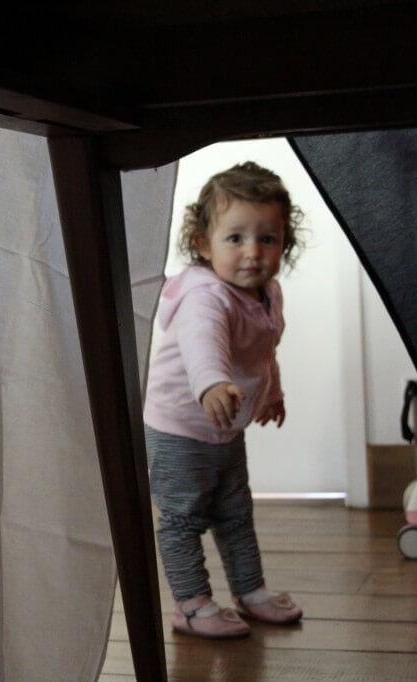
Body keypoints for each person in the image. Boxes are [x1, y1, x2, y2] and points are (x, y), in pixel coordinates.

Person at [143, 161, 306, 639]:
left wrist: (271, 395)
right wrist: (212, 383)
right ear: (203, 243)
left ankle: (249, 590)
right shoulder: (205, 296)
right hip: (179, 425)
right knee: (181, 517)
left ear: (284, 243)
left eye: (268, 239)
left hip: (225, 424)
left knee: (235, 511)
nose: (253, 253)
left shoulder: (266, 294)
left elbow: (262, 354)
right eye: (235, 239)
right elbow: (203, 343)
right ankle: (192, 605)